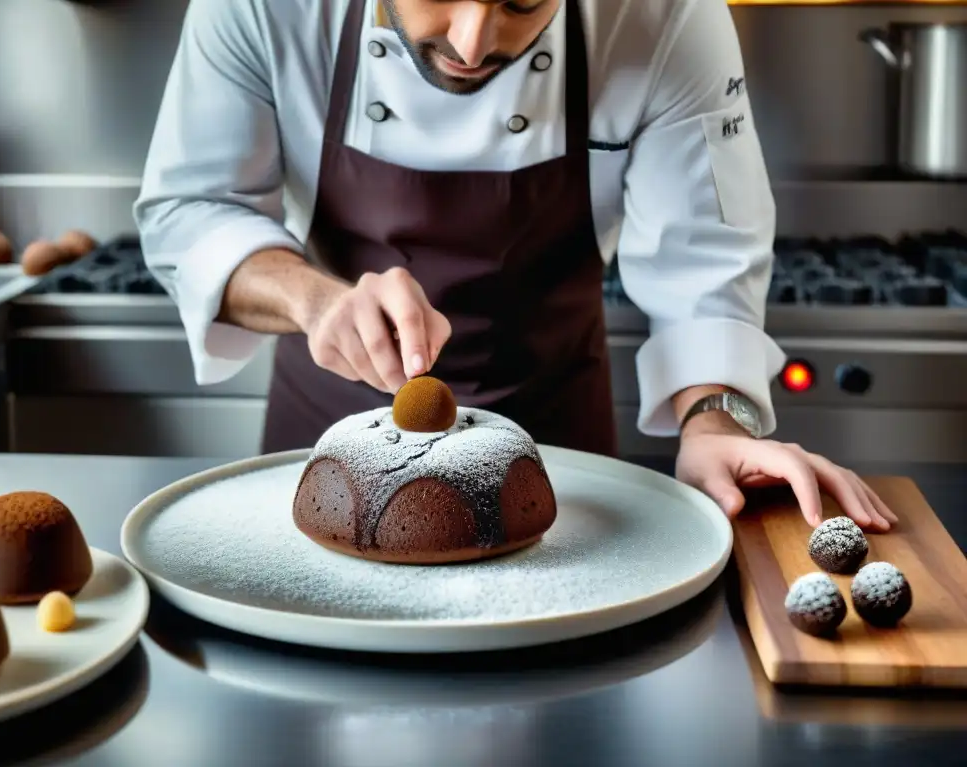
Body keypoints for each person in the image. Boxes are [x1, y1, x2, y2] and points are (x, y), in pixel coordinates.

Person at [134, 0, 897, 532]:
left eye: (524, 2)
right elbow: (188, 210)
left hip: (562, 468)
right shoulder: (264, 5)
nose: (473, 42)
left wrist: (714, 420)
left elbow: (706, 260)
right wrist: (315, 303)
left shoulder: (662, 14)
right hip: (328, 453)